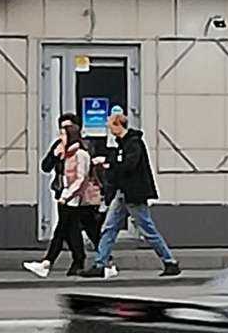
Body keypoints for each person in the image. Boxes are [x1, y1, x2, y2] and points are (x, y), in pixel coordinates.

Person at [86, 113, 181, 279]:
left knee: (147, 229)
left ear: (118, 125)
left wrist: (109, 162)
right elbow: (121, 164)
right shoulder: (122, 144)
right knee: (109, 227)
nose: (109, 129)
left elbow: (129, 165)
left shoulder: (133, 143)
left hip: (134, 194)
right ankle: (100, 263)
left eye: (111, 126)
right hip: (123, 193)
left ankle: (170, 261)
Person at [24, 116, 96, 279]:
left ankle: (49, 262)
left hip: (77, 196)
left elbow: (82, 176)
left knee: (71, 228)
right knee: (70, 229)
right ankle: (78, 260)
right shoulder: (61, 148)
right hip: (63, 193)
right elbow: (46, 166)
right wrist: (56, 155)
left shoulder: (82, 150)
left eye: (66, 130)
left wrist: (69, 194)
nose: (61, 135)